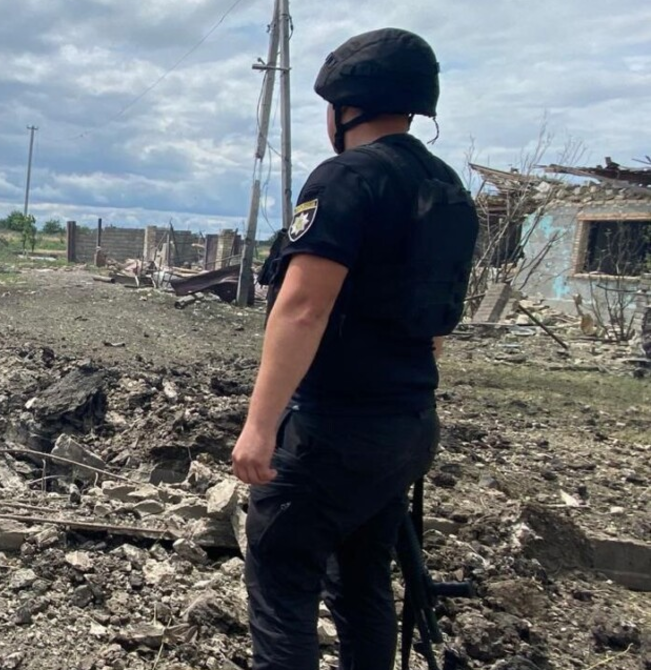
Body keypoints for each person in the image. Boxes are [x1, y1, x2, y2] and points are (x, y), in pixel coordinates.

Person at [233, 28, 479, 670]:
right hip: (407, 427)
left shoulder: (347, 178)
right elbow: (437, 322)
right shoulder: (448, 189)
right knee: (363, 583)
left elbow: (302, 308)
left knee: (282, 588)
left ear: (347, 108)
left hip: (332, 431)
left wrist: (259, 427)